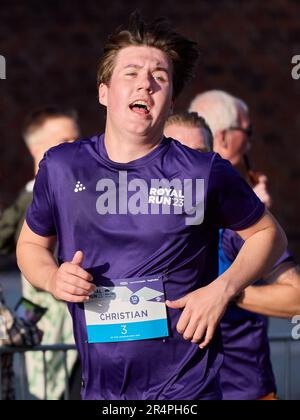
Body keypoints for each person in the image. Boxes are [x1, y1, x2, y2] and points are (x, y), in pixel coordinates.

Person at [16, 13, 287, 400]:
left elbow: (268, 235)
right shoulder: (62, 166)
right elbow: (29, 247)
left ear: (171, 98)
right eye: (131, 73)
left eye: (159, 75)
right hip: (103, 392)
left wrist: (222, 289)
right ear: (104, 92)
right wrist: (52, 278)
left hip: (186, 390)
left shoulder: (202, 170)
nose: (146, 82)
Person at [189, 90, 300, 399]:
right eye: (246, 133)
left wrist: (224, 292)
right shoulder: (147, 211)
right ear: (223, 137)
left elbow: (296, 299)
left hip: (241, 390)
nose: (249, 143)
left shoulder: (242, 224)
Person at [0, 106, 80, 400]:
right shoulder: (33, 198)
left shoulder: (82, 191)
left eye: (77, 139)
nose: (74, 148)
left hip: (73, 317)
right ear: (37, 150)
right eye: (64, 141)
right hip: (44, 313)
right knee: (45, 385)